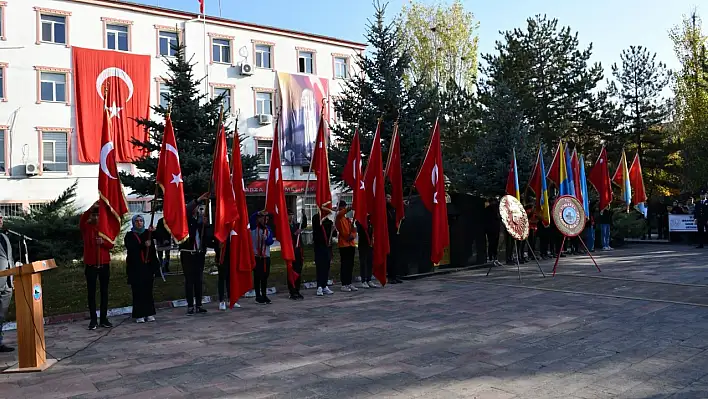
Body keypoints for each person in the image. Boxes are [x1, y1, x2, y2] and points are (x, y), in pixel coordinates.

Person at [80, 202, 114, 330]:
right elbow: (83, 218)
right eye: (94, 214)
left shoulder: (105, 228)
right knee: (91, 293)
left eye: (98, 214)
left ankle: (104, 318)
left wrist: (103, 242)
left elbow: (111, 244)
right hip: (91, 264)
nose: (96, 217)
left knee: (104, 292)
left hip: (104, 264)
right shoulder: (86, 227)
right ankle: (93, 319)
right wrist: (92, 207)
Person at [179, 192, 212, 315]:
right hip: (188, 253)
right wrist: (198, 199)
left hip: (199, 254)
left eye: (198, 207)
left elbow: (206, 238)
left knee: (199, 280)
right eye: (196, 207)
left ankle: (199, 304)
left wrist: (205, 225)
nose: (197, 209)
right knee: (189, 280)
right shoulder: (186, 220)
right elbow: (187, 210)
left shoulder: (199, 221)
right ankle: (190, 306)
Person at [124, 215, 158, 323]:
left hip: (147, 267)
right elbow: (132, 248)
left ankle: (149, 312)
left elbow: (153, 250)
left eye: (141, 221)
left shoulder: (148, 234)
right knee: (138, 291)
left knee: (148, 290)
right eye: (137, 221)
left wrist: (154, 231)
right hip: (136, 268)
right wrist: (143, 245)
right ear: (133, 223)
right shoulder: (130, 235)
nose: (139, 223)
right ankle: (139, 314)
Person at [251, 211, 274, 304]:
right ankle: (258, 295)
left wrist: (266, 239)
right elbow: (251, 218)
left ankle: (264, 295)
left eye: (267, 219)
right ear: (259, 219)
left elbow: (271, 241)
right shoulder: (254, 227)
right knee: (257, 276)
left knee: (265, 276)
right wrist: (258, 212)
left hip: (266, 256)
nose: (265, 221)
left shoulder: (268, 229)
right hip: (257, 256)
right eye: (264, 218)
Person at [0, 212, 15, 352]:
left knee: (1, 314)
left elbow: (8, 259)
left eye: (1, 218)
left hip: (7, 281)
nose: (0, 220)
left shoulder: (4, 236)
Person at [335, 200, 358, 292]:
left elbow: (354, 229)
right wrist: (350, 208)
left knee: (350, 264)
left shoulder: (347, 219)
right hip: (343, 244)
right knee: (345, 264)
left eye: (344, 207)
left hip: (351, 244)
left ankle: (349, 282)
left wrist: (353, 235)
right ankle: (344, 284)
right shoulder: (338, 217)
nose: (344, 208)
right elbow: (340, 214)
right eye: (342, 207)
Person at [312, 212, 335, 296]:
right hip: (319, 247)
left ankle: (324, 285)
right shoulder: (317, 221)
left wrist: (333, 229)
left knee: (326, 266)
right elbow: (316, 233)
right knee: (320, 267)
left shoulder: (329, 222)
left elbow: (333, 234)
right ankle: (319, 286)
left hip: (327, 248)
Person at [288, 209, 307, 300]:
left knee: (298, 271)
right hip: (291, 251)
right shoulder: (286, 226)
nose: (291, 217)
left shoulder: (296, 225)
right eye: (289, 215)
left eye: (292, 215)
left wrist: (304, 216)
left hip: (298, 251)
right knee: (292, 271)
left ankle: (297, 290)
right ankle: (292, 291)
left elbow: (303, 225)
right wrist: (294, 234)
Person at [356, 216, 378, 288]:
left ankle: (369, 279)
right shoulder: (360, 222)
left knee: (370, 262)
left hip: (370, 245)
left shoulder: (370, 222)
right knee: (363, 263)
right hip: (363, 245)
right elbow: (359, 228)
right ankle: (363, 280)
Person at [386, 194, 403, 284]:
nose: (389, 199)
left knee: (395, 256)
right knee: (390, 257)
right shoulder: (384, 209)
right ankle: (390, 276)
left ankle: (395, 275)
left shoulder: (392, 209)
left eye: (390, 197)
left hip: (395, 233)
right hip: (388, 235)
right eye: (388, 198)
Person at [483, 197, 501, 262]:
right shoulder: (490, 209)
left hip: (493, 228)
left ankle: (493, 257)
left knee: (493, 243)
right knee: (493, 243)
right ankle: (492, 257)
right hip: (492, 228)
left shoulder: (495, 209)